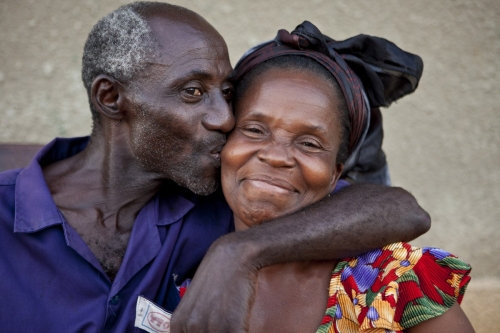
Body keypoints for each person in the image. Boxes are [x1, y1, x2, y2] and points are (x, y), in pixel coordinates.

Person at [0, 3, 430, 332]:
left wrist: (239, 253)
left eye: (226, 91)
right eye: (192, 92)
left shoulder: (219, 202)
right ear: (111, 98)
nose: (225, 117)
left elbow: (401, 210)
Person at [184, 21, 473, 332]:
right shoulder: (182, 285)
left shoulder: (390, 281)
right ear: (224, 144)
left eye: (309, 144)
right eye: (254, 130)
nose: (277, 156)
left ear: (336, 173)